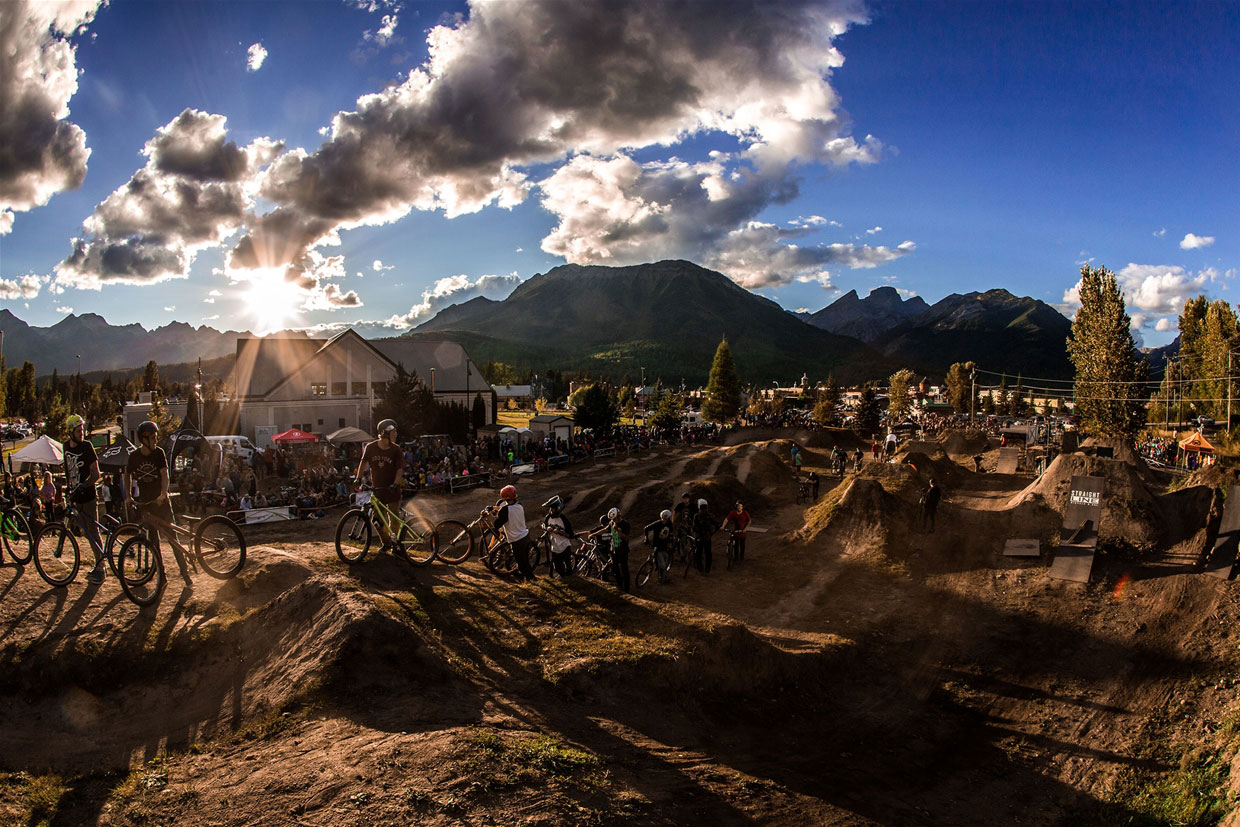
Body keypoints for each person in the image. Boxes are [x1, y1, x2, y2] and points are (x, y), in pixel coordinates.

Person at [126, 420, 191, 581]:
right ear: (144, 439)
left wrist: (163, 494)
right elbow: (126, 475)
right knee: (153, 542)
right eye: (153, 437)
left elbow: (164, 475)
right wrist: (128, 496)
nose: (156, 440)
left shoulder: (159, 453)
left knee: (172, 537)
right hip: (146, 504)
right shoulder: (134, 456)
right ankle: (161, 575)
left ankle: (185, 572)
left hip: (161, 503)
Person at [62, 414, 105, 582]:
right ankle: (99, 562)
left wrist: (84, 485)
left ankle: (101, 568)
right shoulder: (66, 447)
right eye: (78, 430)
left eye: (82, 429)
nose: (82, 433)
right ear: (70, 432)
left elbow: (96, 474)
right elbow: (68, 470)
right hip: (75, 497)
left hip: (88, 497)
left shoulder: (87, 447)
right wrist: (68, 490)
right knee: (85, 532)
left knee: (93, 531)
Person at [355, 419, 405, 550]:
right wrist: (358, 478)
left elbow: (400, 469)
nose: (396, 434)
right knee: (376, 520)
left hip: (392, 490)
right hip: (378, 490)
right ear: (385, 433)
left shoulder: (396, 450)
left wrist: (395, 483)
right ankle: (387, 542)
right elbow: (363, 462)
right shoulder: (370, 448)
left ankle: (395, 545)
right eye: (394, 432)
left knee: (394, 520)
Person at [493, 484, 534, 581]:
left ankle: (530, 579)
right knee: (525, 560)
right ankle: (529, 577)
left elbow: (497, 524)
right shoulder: (520, 505)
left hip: (516, 540)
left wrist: (495, 515)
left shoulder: (505, 510)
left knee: (521, 562)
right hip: (525, 535)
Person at [541, 495, 575, 577]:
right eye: (550, 508)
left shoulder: (563, 519)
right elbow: (544, 526)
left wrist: (560, 532)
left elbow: (571, 535)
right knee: (558, 568)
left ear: (558, 508)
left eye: (552, 508)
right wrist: (547, 528)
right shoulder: (548, 517)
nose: (551, 510)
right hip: (554, 546)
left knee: (568, 568)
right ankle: (564, 579)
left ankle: (572, 581)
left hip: (564, 545)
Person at [643, 509, 674, 584]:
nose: (664, 520)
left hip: (665, 546)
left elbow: (671, 533)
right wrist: (646, 537)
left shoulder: (669, 524)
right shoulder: (657, 524)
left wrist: (670, 543)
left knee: (665, 562)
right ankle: (661, 579)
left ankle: (665, 577)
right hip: (658, 546)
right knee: (662, 565)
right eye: (664, 519)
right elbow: (646, 528)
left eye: (666, 519)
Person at [607, 506, 631, 592]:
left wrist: (618, 530)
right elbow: (605, 529)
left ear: (619, 516)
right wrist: (592, 534)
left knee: (624, 569)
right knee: (615, 568)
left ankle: (627, 589)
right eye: (612, 519)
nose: (613, 521)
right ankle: (620, 585)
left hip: (623, 551)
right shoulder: (611, 523)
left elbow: (626, 538)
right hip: (614, 550)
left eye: (614, 519)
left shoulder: (625, 524)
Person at [691, 498, 715, 573]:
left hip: (699, 537)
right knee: (708, 553)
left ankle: (700, 567)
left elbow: (694, 527)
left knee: (699, 553)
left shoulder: (697, 516)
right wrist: (711, 532)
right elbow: (715, 524)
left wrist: (695, 530)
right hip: (707, 537)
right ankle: (707, 568)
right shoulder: (710, 515)